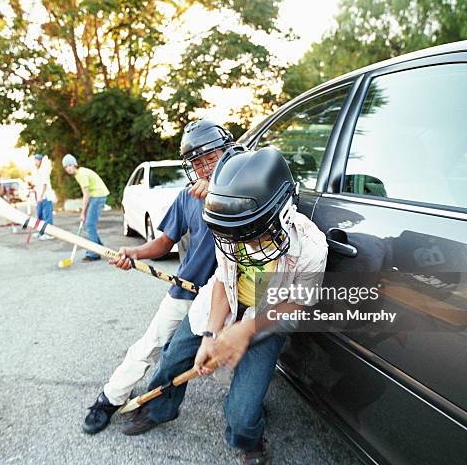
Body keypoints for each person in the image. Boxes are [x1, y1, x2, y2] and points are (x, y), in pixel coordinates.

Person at [122, 146, 328, 465]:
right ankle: (159, 409)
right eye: (236, 236)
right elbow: (222, 277)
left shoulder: (312, 246)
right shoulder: (230, 224)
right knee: (173, 358)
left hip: (268, 316)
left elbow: (298, 303)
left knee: (243, 416)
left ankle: (248, 438)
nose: (244, 244)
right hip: (220, 303)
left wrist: (245, 329)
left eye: (255, 235)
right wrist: (210, 334)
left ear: (284, 212)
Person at [81, 119, 235, 435]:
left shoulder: (246, 190)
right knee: (151, 345)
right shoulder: (187, 197)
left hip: (229, 296)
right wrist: (135, 253)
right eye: (197, 161)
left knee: (230, 359)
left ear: (228, 153)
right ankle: (109, 399)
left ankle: (244, 412)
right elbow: (165, 242)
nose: (205, 167)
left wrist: (221, 190)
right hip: (186, 291)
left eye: (212, 157)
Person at [62, 155, 110, 261]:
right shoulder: (79, 174)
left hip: (98, 195)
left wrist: (83, 212)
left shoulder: (81, 174)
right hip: (95, 195)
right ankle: (99, 248)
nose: (68, 168)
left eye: (70, 165)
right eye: (66, 167)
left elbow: (86, 195)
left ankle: (94, 253)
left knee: (89, 224)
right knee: (90, 224)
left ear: (75, 164)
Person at [33, 153, 55, 240]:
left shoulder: (44, 170)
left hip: (45, 197)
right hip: (40, 197)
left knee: (47, 216)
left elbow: (44, 184)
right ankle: (41, 232)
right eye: (35, 160)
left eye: (37, 160)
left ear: (41, 161)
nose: (35, 162)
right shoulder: (37, 171)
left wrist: (41, 196)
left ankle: (49, 233)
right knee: (40, 216)